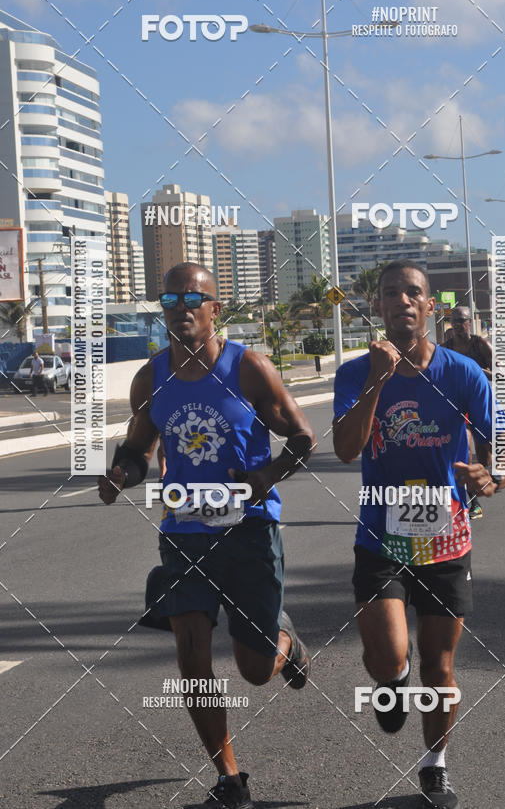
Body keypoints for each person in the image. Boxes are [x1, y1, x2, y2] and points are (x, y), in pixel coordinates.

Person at [98, 262, 316, 809]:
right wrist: (120, 473)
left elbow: (303, 436)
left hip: (249, 531)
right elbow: (139, 448)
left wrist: (265, 476)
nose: (181, 308)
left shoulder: (250, 369)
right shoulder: (151, 378)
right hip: (184, 532)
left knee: (254, 669)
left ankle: (283, 643)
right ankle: (229, 778)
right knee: (191, 655)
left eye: (193, 298)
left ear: (215, 308)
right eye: (170, 299)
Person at [333, 260, 505, 809]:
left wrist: (492, 475)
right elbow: (346, 449)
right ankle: (392, 680)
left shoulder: (462, 374)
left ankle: (435, 764)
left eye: (414, 293)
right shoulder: (355, 373)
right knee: (388, 659)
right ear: (379, 307)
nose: (403, 301)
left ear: (429, 306)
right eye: (391, 293)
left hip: (446, 540)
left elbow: (502, 445)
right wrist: (376, 380)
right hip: (380, 537)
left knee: (441, 666)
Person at [442, 307, 492, 521]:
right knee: (463, 446)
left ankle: (477, 485)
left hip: (479, 401)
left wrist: (477, 371)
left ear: (470, 322)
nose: (458, 325)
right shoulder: (446, 348)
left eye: (462, 321)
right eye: (454, 321)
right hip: (456, 405)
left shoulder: (480, 345)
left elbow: (501, 374)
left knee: (485, 453)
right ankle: (472, 499)